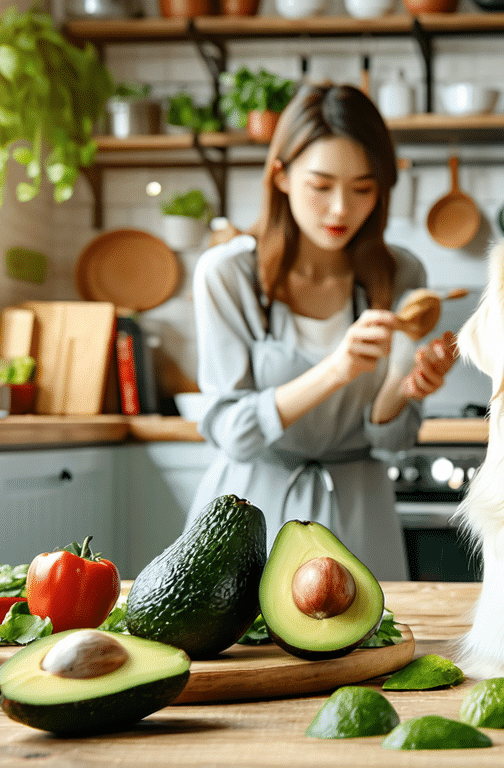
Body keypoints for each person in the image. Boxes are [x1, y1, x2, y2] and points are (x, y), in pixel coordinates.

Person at [187, 83, 456, 581]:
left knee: (369, 651)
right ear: (282, 175)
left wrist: (403, 392)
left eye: (362, 189)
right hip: (247, 517)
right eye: (321, 185)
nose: (340, 210)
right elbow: (233, 431)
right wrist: (337, 369)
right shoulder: (227, 275)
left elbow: (395, 441)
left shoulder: (402, 275)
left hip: (360, 514)